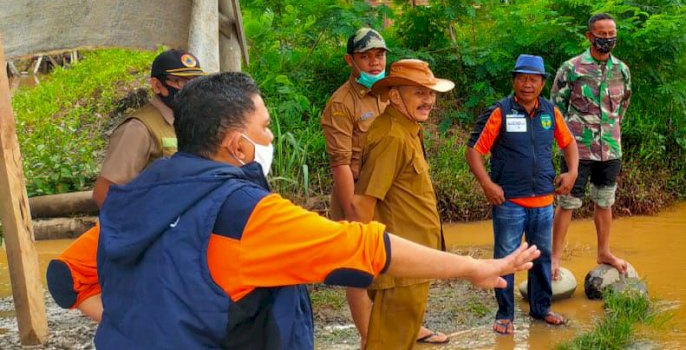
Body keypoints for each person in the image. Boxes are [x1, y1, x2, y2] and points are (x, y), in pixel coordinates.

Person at [45, 72, 539, 348]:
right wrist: (477, 268)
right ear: (238, 146)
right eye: (263, 127)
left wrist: (140, 328)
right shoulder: (247, 215)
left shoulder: (142, 191)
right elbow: (365, 246)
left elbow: (66, 278)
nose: (270, 136)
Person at [321, 28, 450, 344]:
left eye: (379, 55)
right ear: (351, 60)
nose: (374, 61)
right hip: (359, 194)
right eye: (366, 56)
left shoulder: (392, 105)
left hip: (392, 201)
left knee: (397, 279)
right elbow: (341, 166)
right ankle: (372, 336)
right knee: (362, 271)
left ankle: (400, 328)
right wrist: (357, 222)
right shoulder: (342, 103)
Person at [465, 54, 578, 335]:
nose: (527, 84)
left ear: (542, 83)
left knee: (541, 259)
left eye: (533, 79)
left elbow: (569, 143)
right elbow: (474, 151)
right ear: (514, 81)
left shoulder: (550, 112)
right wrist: (487, 185)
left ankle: (541, 309)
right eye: (522, 78)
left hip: (543, 202)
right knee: (505, 260)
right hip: (509, 203)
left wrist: (572, 172)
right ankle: (505, 315)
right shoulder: (500, 111)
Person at [351, 59, 456, 349]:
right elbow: (363, 203)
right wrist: (364, 259)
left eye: (430, 93)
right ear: (395, 96)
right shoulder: (392, 136)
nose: (429, 100)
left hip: (414, 260)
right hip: (400, 263)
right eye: (419, 93)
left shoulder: (406, 127)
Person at [550, 13, 632, 279]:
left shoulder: (622, 70)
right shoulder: (571, 68)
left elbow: (622, 108)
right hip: (578, 149)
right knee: (568, 201)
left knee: (605, 201)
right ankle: (554, 259)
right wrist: (565, 144)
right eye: (601, 34)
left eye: (611, 34)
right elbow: (556, 110)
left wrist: (610, 134)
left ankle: (604, 252)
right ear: (589, 36)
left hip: (610, 148)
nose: (607, 38)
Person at [91, 49, 205, 206]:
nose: (191, 89)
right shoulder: (138, 128)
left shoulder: (188, 121)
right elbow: (104, 193)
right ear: (157, 85)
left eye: (196, 81)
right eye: (182, 82)